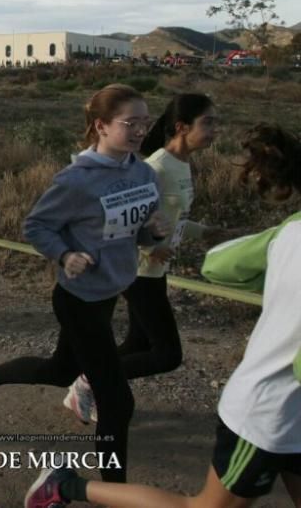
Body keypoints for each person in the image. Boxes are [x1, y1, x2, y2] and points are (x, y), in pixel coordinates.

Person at [25, 124, 301, 508]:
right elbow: (47, 224)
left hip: (140, 280)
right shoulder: (147, 168)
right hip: (271, 411)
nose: (216, 130)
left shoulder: (289, 231)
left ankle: (83, 387)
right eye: (210, 123)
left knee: (146, 356)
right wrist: (145, 242)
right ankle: (67, 484)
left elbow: (218, 264)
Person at [0, 83, 168, 483]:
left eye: (146, 122)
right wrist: (64, 255)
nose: (141, 130)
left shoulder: (144, 173)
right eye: (131, 122)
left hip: (111, 291)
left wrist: (153, 233)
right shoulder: (77, 180)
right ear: (101, 126)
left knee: (61, 370)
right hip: (77, 299)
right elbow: (36, 226)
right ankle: (113, 491)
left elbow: (135, 234)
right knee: (117, 401)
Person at [63, 93, 230, 423]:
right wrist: (148, 248)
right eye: (207, 122)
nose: (214, 130)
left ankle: (91, 384)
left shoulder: (180, 165)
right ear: (182, 127)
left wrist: (206, 231)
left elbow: (171, 217)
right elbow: (120, 217)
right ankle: (89, 381)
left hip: (156, 269)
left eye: (216, 123)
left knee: (138, 343)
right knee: (168, 354)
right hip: (139, 271)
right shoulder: (155, 167)